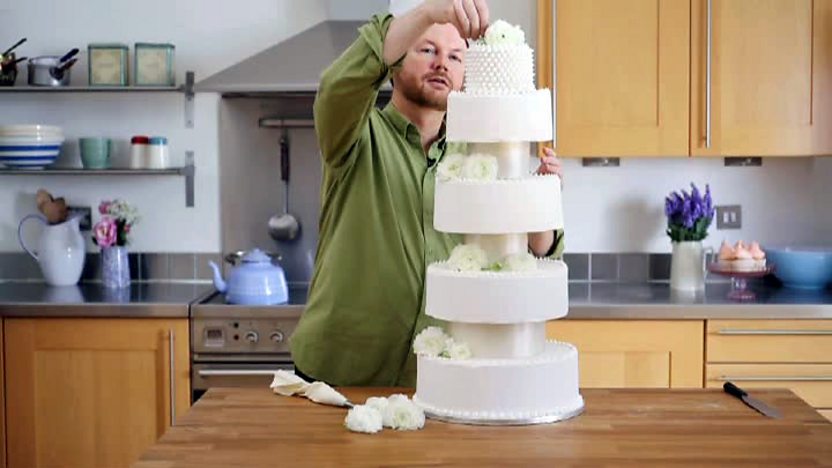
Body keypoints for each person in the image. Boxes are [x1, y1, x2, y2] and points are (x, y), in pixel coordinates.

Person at [290, 0, 563, 387]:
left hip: (437, 377)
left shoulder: (482, 159)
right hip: (339, 374)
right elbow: (337, 88)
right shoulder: (353, 137)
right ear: (395, 63)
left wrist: (536, 206)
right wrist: (430, 13)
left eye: (455, 56)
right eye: (427, 49)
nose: (442, 64)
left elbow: (528, 254)